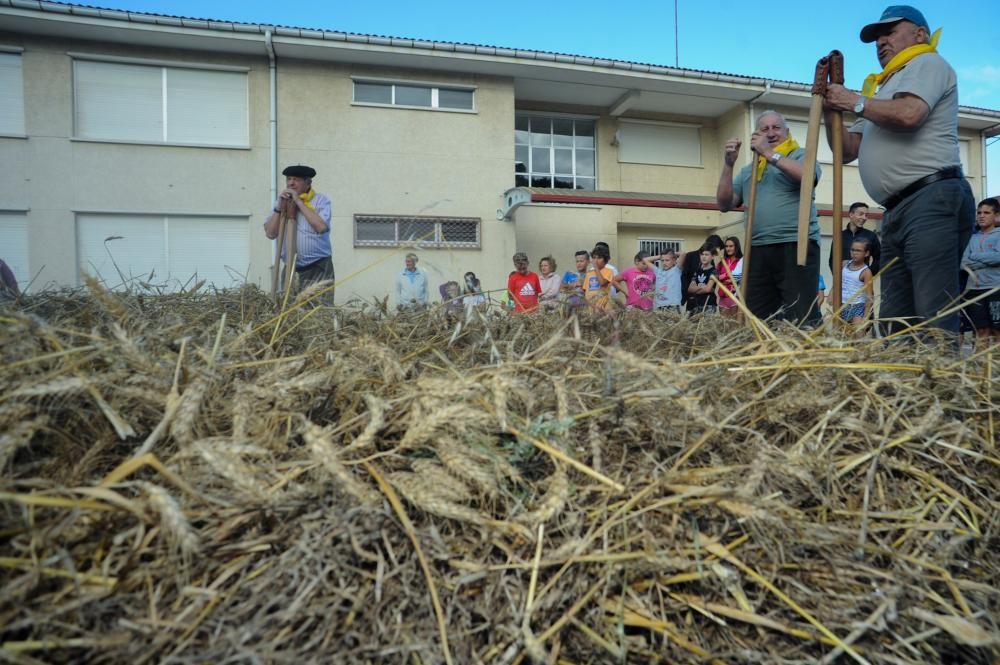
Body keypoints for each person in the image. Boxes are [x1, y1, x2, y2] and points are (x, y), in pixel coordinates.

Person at [823, 5, 975, 335]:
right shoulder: (881, 91)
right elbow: (847, 150)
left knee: (932, 308)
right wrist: (829, 110)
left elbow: (910, 114)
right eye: (877, 36)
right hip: (897, 209)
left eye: (890, 32)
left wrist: (854, 101)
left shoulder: (926, 62)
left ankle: (942, 384)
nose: (881, 41)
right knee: (895, 315)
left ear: (919, 34)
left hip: (930, 198)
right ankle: (903, 384)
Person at [717, 110, 821, 324]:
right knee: (759, 316)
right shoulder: (750, 169)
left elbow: (807, 176)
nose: (771, 133)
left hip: (795, 244)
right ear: (756, 135)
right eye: (765, 129)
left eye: (776, 128)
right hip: (757, 248)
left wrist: (769, 154)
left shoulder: (799, 155)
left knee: (800, 314)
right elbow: (724, 203)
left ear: (787, 131)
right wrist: (728, 164)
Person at [262, 164, 334, 298]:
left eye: (296, 179)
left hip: (317, 266)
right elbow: (270, 234)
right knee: (287, 309)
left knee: (320, 311)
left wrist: (299, 202)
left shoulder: (321, 201)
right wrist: (279, 208)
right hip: (290, 268)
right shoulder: (280, 202)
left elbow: (321, 227)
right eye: (288, 179)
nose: (291, 183)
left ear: (308, 183)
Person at [960, 198, 1000, 346]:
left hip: (995, 289)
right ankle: (981, 366)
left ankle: (996, 367)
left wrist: (975, 257)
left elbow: (998, 257)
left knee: (997, 331)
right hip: (973, 290)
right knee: (981, 331)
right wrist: (988, 260)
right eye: (979, 213)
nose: (981, 216)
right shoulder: (972, 238)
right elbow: (963, 263)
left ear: (996, 216)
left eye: (986, 213)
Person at [831, 202, 882, 275]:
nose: (864, 218)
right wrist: (838, 276)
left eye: (866, 215)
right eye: (861, 214)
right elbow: (832, 260)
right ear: (851, 214)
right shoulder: (839, 236)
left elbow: (879, 258)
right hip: (842, 281)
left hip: (862, 282)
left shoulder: (871, 236)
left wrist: (868, 273)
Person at [841, 240, 874, 334]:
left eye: (858, 251)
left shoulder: (866, 272)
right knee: (843, 336)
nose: (854, 253)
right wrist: (832, 292)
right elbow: (838, 280)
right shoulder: (844, 264)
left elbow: (869, 296)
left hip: (857, 307)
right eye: (852, 250)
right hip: (842, 305)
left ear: (866, 253)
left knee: (858, 335)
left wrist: (866, 317)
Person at [584, 245, 626, 312]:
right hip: (592, 307)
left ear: (606, 260)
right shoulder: (589, 273)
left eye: (599, 258)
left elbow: (602, 283)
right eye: (594, 258)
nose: (596, 261)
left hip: (604, 306)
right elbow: (586, 291)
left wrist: (596, 268)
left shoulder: (609, 271)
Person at [716, 236, 744, 318]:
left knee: (734, 326)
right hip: (722, 298)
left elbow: (741, 277)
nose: (728, 249)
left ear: (737, 246)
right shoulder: (722, 262)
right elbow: (715, 277)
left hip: (735, 297)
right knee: (724, 326)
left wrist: (724, 278)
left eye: (731, 246)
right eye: (726, 246)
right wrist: (725, 277)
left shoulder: (741, 261)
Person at [686, 246, 718, 314]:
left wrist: (696, 289)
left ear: (712, 256)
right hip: (696, 304)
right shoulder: (697, 271)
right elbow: (690, 289)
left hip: (709, 304)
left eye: (706, 254)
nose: (703, 257)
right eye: (702, 254)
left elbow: (707, 289)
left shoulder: (714, 271)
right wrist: (703, 287)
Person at [562, 250, 590, 314]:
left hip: (584, 309)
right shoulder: (569, 274)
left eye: (581, 261)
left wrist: (583, 285)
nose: (579, 264)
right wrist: (572, 285)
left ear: (588, 262)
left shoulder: (590, 275)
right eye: (577, 261)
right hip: (568, 306)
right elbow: (561, 288)